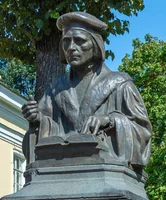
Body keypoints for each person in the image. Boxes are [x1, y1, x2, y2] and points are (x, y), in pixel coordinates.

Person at [22, 11, 152, 175]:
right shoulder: (55, 90)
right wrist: (37, 120)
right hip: (62, 174)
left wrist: (110, 120)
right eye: (66, 42)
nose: (72, 48)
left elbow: (142, 131)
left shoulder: (120, 85)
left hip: (105, 174)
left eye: (80, 41)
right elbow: (39, 140)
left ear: (95, 45)